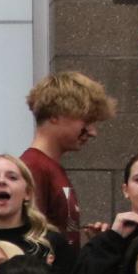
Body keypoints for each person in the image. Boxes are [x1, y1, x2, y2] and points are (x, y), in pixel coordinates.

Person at [21, 71, 116, 250]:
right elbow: (32, 243)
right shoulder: (32, 167)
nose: (92, 132)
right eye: (87, 121)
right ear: (55, 115)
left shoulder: (48, 167)